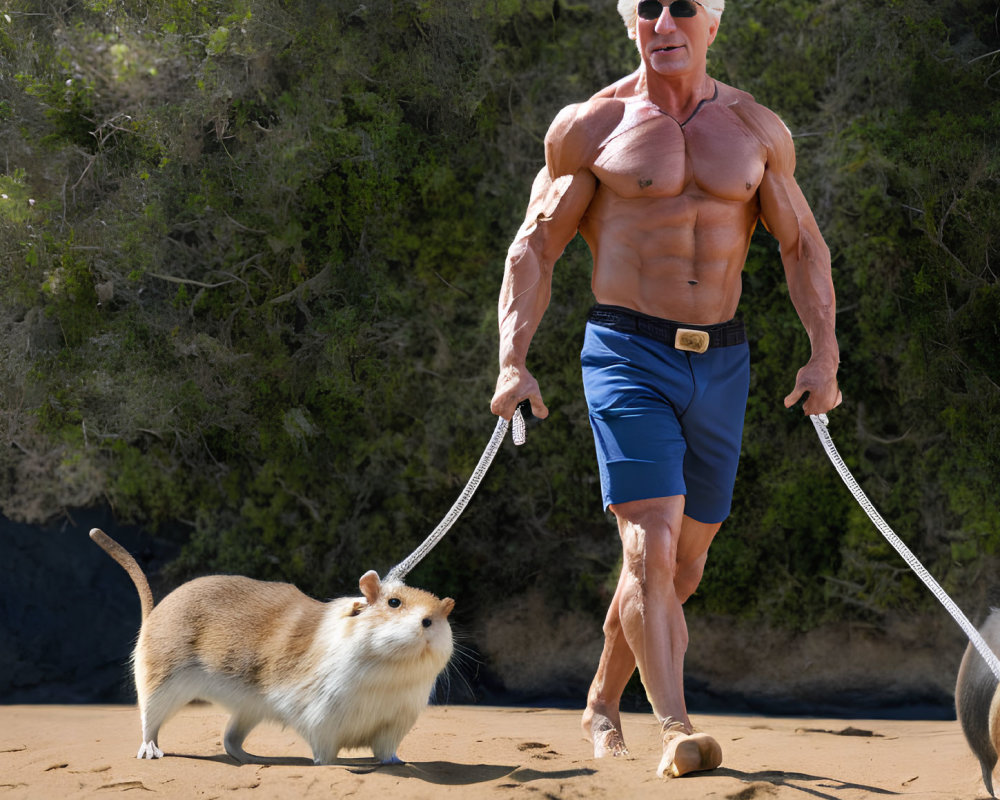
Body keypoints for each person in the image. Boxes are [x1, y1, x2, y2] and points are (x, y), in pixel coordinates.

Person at [490, 0, 841, 780]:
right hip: (626, 353)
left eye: (683, 5)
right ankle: (676, 727)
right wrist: (513, 359)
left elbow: (801, 246)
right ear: (631, 24)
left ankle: (600, 704)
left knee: (679, 572)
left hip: (723, 364)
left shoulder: (756, 130)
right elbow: (535, 248)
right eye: (646, 7)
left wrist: (825, 357)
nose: (664, 20)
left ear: (712, 24)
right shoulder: (592, 127)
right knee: (648, 541)